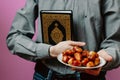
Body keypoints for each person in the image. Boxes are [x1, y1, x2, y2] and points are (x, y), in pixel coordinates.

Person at [6, 0, 120, 80]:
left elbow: (116, 42)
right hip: (45, 75)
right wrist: (50, 50)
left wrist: (108, 56)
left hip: (90, 77)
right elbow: (15, 37)